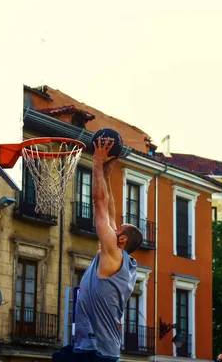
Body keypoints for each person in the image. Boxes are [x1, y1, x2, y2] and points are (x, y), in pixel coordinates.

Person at [54, 136, 143, 362]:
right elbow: (110, 208)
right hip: (89, 346)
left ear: (121, 239)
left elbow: (100, 202)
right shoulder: (119, 256)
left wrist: (96, 161)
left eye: (119, 228)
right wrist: (106, 172)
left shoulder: (113, 254)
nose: (114, 226)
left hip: (99, 352)